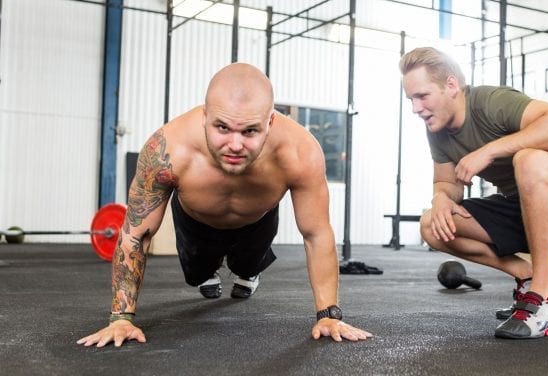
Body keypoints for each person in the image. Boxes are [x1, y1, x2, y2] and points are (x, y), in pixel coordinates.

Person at [77, 63, 372, 348]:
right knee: (197, 276)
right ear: (205, 116)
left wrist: (328, 315)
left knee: (247, 265)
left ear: (270, 122)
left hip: (258, 219)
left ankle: (249, 270)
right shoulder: (168, 148)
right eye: (222, 127)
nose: (234, 144)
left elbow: (316, 233)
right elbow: (135, 233)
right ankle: (208, 270)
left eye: (249, 132)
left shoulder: (300, 151)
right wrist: (121, 318)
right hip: (195, 222)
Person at [399, 47, 548, 339]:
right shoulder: (436, 127)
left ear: (451, 85)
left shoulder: (490, 101)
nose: (416, 108)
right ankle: (531, 277)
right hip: (531, 212)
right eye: (411, 99)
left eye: (422, 96)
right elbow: (447, 183)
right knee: (432, 225)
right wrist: (440, 199)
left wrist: (487, 151)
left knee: (529, 159)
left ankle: (544, 304)